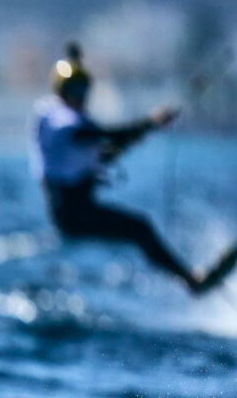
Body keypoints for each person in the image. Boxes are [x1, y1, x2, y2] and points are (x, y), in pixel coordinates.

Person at [31, 42, 237, 295]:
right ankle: (192, 281)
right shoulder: (56, 116)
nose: (80, 94)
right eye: (74, 88)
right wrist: (149, 122)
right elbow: (89, 135)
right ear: (61, 90)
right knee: (140, 229)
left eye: (84, 88)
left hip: (78, 209)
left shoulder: (72, 119)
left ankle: (192, 281)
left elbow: (101, 147)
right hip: (72, 214)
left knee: (139, 229)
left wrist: (137, 133)